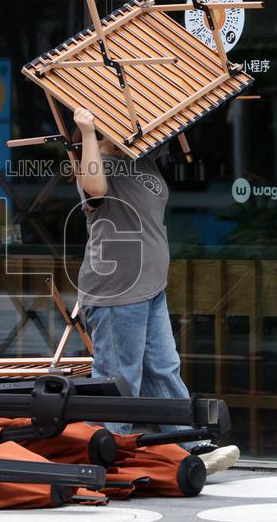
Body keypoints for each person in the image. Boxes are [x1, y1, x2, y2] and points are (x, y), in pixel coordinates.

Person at [73, 107, 239, 475]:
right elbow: (94, 189)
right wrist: (87, 133)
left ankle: (190, 446)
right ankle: (105, 455)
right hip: (117, 289)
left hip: (150, 286)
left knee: (163, 368)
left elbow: (174, 121)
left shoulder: (142, 156)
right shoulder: (94, 161)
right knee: (119, 378)